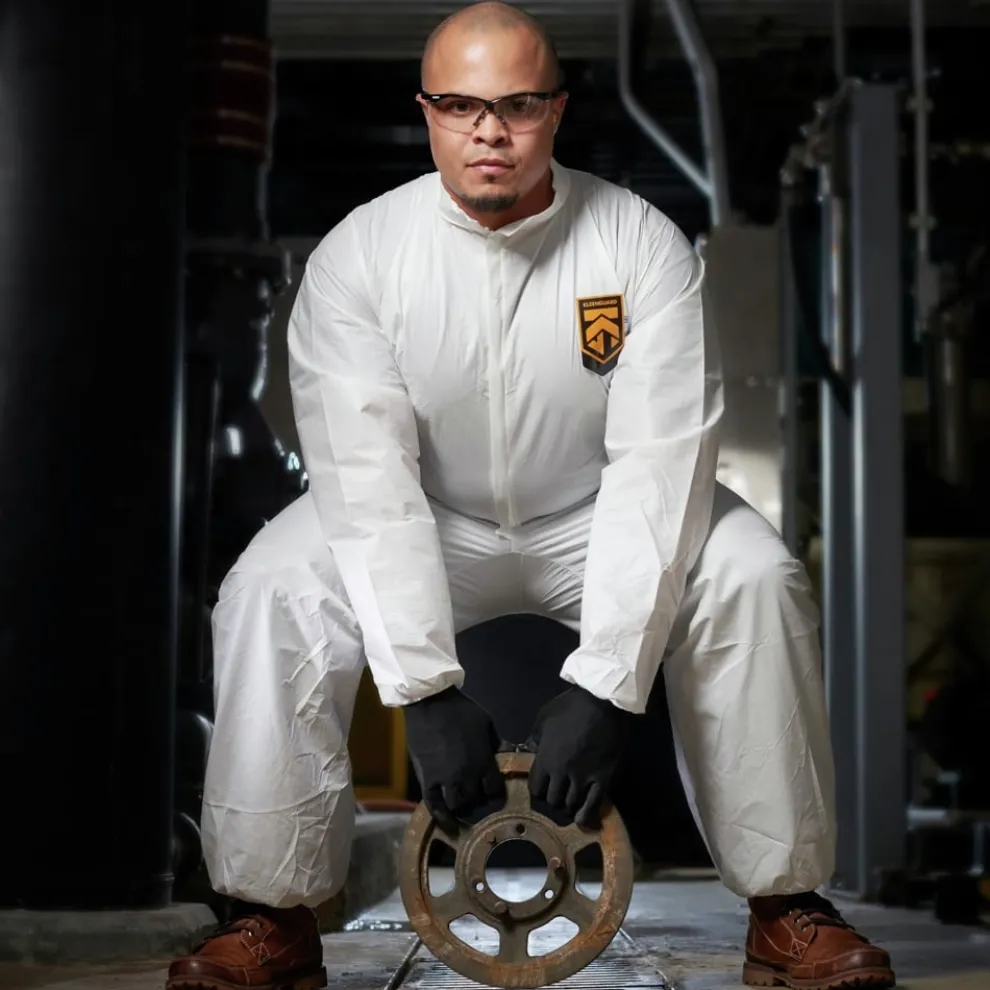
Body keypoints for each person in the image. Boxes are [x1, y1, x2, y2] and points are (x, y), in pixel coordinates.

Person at [166, 4, 896, 989]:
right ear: (427, 111)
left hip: (597, 514)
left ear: (556, 110)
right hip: (430, 515)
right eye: (461, 106)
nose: (490, 132)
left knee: (755, 576)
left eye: (516, 105)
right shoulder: (360, 257)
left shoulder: (640, 245)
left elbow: (658, 461)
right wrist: (425, 692)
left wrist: (604, 685)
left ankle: (786, 906)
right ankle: (272, 916)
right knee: (270, 589)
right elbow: (368, 478)